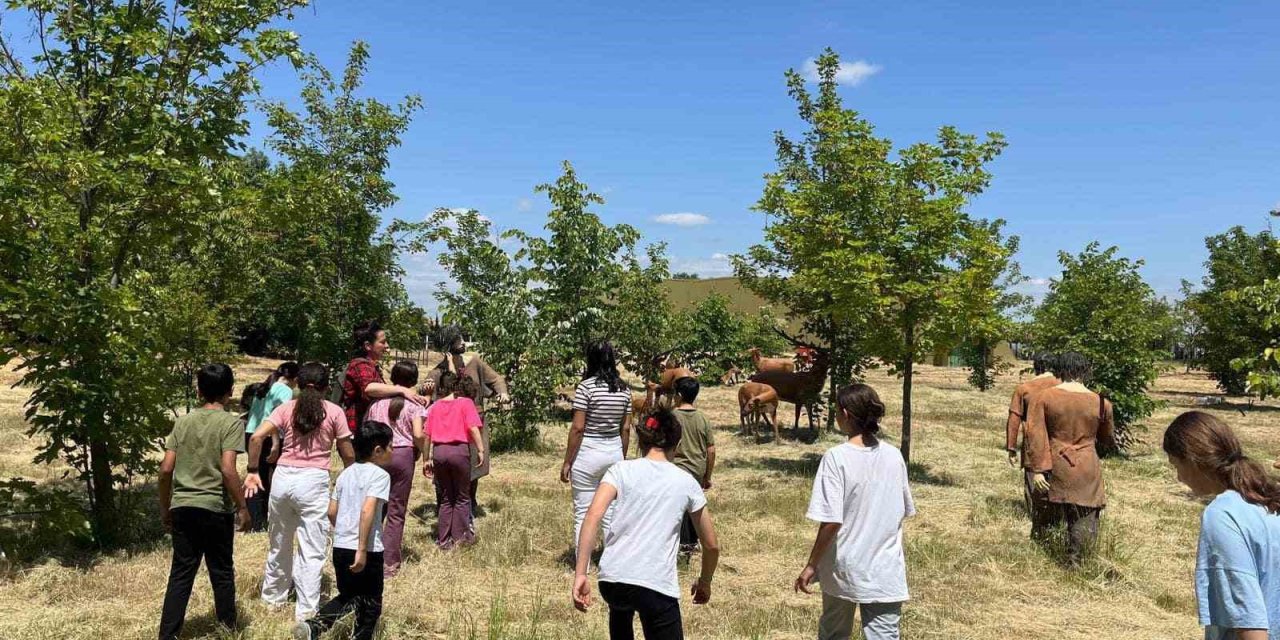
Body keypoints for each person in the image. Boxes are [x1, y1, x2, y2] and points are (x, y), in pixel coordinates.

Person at [572, 408, 720, 640]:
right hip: (655, 584)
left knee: (620, 615)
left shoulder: (619, 470)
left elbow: (592, 517)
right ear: (678, 443)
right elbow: (711, 545)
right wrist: (705, 581)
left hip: (613, 580)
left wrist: (581, 573)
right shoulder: (686, 482)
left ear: (640, 440)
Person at [795, 384, 915, 640]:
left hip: (844, 567)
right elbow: (902, 510)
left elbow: (831, 521)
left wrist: (811, 565)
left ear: (846, 414)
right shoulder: (894, 457)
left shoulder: (836, 458)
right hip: (885, 570)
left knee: (834, 634)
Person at [245, 362, 356, 622]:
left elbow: (255, 438)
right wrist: (352, 472)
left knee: (279, 542)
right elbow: (346, 450)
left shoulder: (286, 409)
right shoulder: (334, 411)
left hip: (283, 478)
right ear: (326, 386)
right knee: (312, 547)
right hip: (314, 480)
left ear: (298, 382)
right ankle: (306, 608)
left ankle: (273, 598)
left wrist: (252, 470)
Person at [1163, 411, 1280, 640]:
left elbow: (1247, 616)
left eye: (1176, 465)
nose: (1179, 477)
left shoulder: (1223, 515)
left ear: (1192, 460)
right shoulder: (1267, 501)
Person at [157, 363, 252, 640]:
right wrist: (242, 506)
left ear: (198, 390)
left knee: (181, 574)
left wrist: (165, 507)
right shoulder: (232, 423)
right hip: (213, 508)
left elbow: (165, 469)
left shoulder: (183, 422)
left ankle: (167, 635)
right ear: (230, 391)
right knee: (221, 571)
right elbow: (228, 469)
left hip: (183, 506)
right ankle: (227, 630)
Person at [292, 421, 394, 640]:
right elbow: (368, 511)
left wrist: (344, 533)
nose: (392, 451)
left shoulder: (345, 475)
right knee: (371, 602)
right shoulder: (380, 475)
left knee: (349, 595)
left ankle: (313, 627)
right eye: (390, 446)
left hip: (341, 546)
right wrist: (362, 548)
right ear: (377, 450)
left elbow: (331, 511)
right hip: (367, 548)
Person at [1022, 352, 1115, 566]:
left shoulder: (1042, 398)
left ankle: (1044, 559)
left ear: (1060, 371)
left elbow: (1035, 435)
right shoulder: (1102, 403)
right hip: (1087, 467)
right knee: (1085, 515)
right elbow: (1107, 438)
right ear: (1086, 371)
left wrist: (1037, 469)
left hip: (1053, 466)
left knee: (1046, 517)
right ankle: (1078, 564)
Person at [422, 324, 510, 517]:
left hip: (474, 423)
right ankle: (445, 503)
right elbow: (428, 386)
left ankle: (469, 502)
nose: (463, 342)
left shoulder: (475, 362)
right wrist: (427, 385)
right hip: (450, 427)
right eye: (458, 340)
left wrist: (502, 393)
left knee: (474, 464)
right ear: (449, 344)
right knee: (446, 466)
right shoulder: (440, 371)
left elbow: (497, 379)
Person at [562, 340, 633, 553]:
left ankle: (581, 563)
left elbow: (578, 428)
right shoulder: (624, 389)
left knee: (583, 511)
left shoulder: (586, 387)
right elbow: (626, 428)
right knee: (611, 510)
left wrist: (567, 461)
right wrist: (622, 456)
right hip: (613, 451)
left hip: (588, 452)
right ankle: (611, 558)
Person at [363, 360, 428, 577]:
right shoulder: (415, 405)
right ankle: (389, 563)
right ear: (414, 380)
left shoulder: (376, 405)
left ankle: (368, 553)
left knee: (373, 507)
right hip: (402, 456)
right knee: (396, 511)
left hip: (377, 454)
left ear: (393, 379)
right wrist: (426, 454)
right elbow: (418, 434)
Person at [422, 371, 486, 549]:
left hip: (440, 452)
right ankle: (460, 538)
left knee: (446, 497)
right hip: (459, 451)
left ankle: (443, 540)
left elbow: (427, 435)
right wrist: (480, 450)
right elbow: (473, 428)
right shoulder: (465, 403)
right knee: (462, 497)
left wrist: (426, 459)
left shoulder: (434, 407)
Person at [341, 320, 428, 432]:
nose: (387, 346)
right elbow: (369, 388)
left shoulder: (371, 366)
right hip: (357, 433)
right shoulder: (359, 364)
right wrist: (401, 390)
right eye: (383, 342)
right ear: (368, 346)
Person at [244, 361, 299, 531]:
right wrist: (276, 443)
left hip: (251, 434)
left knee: (254, 475)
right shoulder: (285, 390)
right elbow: (276, 417)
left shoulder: (265, 387)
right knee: (269, 479)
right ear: (294, 378)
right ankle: (263, 520)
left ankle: (255, 520)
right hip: (267, 437)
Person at [1004, 353, 1060, 514]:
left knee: (1033, 479)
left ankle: (1035, 514)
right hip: (1060, 441)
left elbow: (1014, 419)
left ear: (1035, 367)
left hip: (1033, 443)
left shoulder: (1025, 389)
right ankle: (1057, 515)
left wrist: (1011, 448)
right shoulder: (1063, 386)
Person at [669, 376, 715, 556]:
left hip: (676, 468)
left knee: (678, 507)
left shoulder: (672, 416)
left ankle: (684, 543)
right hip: (697, 469)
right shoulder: (703, 418)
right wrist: (707, 475)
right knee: (693, 506)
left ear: (679, 395)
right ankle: (693, 541)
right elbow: (710, 450)